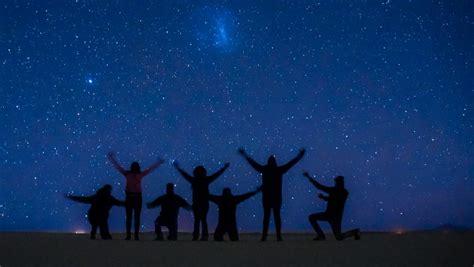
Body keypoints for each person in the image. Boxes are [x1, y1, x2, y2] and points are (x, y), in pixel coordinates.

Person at [238, 148, 305, 241]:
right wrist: (299, 157)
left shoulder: (265, 169)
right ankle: (277, 236)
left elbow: (253, 163)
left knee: (267, 217)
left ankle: (265, 236)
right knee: (276, 217)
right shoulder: (279, 170)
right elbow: (291, 164)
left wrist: (245, 155)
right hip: (276, 197)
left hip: (267, 197)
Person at [107, 151, 165, 240]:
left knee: (131, 217)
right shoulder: (138, 174)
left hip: (132, 197)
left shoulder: (129, 174)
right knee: (134, 217)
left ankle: (131, 235)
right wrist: (159, 163)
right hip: (136, 197)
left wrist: (111, 158)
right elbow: (150, 169)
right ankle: (134, 235)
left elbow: (118, 167)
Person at [173, 161, 229, 241]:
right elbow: (216, 175)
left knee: (197, 220)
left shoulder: (194, 180)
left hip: (197, 203)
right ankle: (204, 236)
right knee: (203, 220)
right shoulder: (205, 180)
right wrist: (224, 168)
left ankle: (196, 236)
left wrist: (178, 168)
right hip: (204, 204)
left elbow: (185, 175)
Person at [303, 172, 360, 241]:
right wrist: (324, 197)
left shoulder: (337, 191)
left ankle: (355, 232)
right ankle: (321, 236)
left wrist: (309, 177)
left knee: (339, 237)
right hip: (331, 215)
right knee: (312, 217)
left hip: (334, 217)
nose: (336, 184)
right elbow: (334, 199)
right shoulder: (343, 192)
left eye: (337, 182)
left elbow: (320, 187)